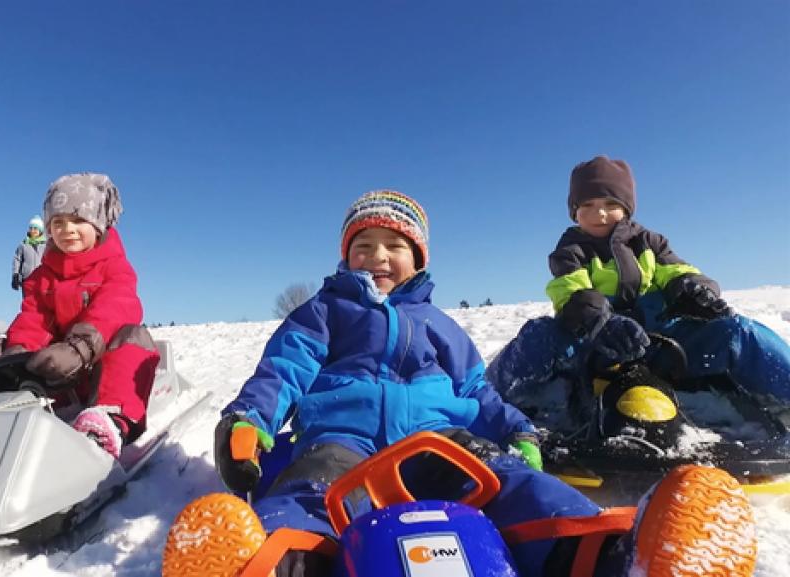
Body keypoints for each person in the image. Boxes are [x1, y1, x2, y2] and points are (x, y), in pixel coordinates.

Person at [162, 191, 756, 577]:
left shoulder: (440, 324)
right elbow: (284, 370)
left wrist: (516, 430)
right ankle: (262, 563)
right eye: (363, 246)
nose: (378, 257)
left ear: (417, 258)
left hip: (441, 438)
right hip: (341, 440)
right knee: (307, 491)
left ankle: (613, 557)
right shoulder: (325, 312)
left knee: (518, 484)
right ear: (345, 258)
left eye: (394, 246)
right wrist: (247, 421)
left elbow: (476, 392)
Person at [486, 155, 790, 406]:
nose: (599, 214)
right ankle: (487, 400)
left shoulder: (649, 242)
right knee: (538, 335)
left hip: (661, 344)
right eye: (587, 206)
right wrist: (601, 322)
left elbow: (675, 271)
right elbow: (570, 289)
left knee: (738, 331)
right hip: (594, 346)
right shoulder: (570, 249)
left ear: (627, 207)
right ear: (574, 211)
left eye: (609, 204)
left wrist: (695, 292)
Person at [0, 173, 160, 459]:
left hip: (95, 373)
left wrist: (78, 349)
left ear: (98, 225)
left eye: (78, 221)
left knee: (133, 337)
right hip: (51, 377)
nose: (67, 230)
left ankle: (110, 421)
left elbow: (113, 310)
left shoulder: (114, 269)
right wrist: (19, 356)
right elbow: (32, 320)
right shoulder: (41, 278)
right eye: (57, 223)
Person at [12, 215, 47, 292]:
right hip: (27, 278)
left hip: (42, 278)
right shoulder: (23, 244)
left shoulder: (45, 245)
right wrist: (15, 274)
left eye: (35, 228)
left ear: (40, 230)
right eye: (31, 228)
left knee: (42, 301)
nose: (33, 230)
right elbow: (17, 259)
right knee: (28, 302)